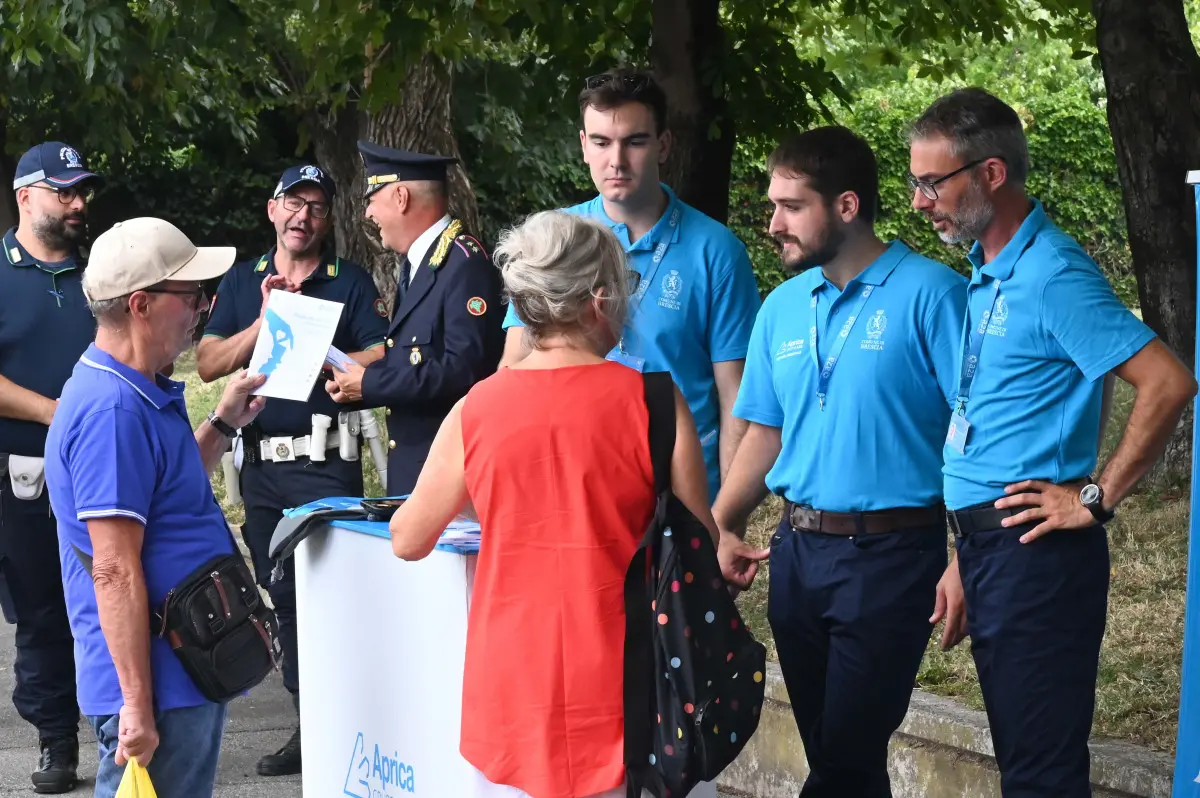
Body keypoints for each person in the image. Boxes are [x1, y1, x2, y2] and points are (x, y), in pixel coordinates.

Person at [907, 87, 1197, 797]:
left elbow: (1168, 382)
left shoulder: (1054, 274)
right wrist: (965, 551)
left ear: (992, 174)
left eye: (932, 182)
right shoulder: (989, 270)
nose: (919, 201)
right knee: (1027, 761)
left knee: (1040, 774)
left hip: (1037, 557)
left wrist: (1092, 498)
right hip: (995, 547)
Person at [388, 210, 716, 798]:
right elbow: (702, 548)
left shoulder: (478, 408)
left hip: (513, 687)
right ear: (598, 300)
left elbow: (408, 538)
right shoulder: (656, 404)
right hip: (634, 686)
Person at [713, 126, 967, 797]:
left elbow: (977, 433)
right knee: (837, 752)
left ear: (847, 206)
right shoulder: (782, 307)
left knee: (845, 756)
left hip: (891, 555)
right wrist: (720, 523)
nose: (774, 224)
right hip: (796, 556)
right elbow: (763, 433)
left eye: (791, 207)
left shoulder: (934, 295)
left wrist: (968, 553)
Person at [42, 217, 269, 798]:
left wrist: (221, 423)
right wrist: (136, 706)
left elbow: (166, 491)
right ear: (141, 304)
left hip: (186, 665)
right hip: (160, 682)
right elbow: (113, 568)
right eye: (192, 296)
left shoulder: (137, 387)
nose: (202, 310)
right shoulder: (112, 411)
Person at [196, 163, 388, 776]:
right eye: (293, 204)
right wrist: (267, 318)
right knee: (280, 601)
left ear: (329, 218)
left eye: (317, 207)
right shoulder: (242, 281)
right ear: (272, 209)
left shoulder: (349, 281)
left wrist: (323, 356)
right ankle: (311, 727)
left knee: (335, 598)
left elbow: (380, 351)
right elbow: (206, 363)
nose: (303, 216)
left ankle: (350, 724)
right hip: (261, 469)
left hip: (326, 461)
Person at [497, 68, 761, 502]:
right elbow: (514, 366)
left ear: (663, 144)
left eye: (634, 141)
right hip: (572, 487)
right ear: (583, 145)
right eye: (601, 142)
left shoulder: (717, 251)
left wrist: (724, 521)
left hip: (677, 497)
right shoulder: (553, 240)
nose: (616, 160)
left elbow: (735, 400)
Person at [0, 140, 104, 793]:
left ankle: (125, 728)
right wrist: (53, 411)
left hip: (104, 472)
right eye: (63, 191)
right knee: (43, 612)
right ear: (25, 197)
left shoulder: (102, 275)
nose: (77, 202)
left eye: (81, 191)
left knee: (114, 596)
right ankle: (56, 741)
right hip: (26, 477)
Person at [326, 141, 504, 495]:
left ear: (400, 197)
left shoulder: (463, 265)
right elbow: (416, 364)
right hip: (419, 469)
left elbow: (463, 371)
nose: (367, 214)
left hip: (449, 474)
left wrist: (371, 383)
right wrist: (360, 385)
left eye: (371, 199)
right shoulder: (421, 264)